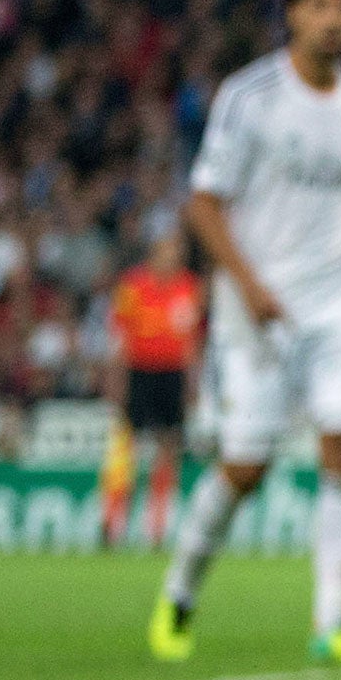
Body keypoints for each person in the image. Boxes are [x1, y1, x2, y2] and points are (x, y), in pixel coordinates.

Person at [146, 0, 341, 665]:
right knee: (246, 465)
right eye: (321, 4)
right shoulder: (250, 96)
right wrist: (249, 284)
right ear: (292, 14)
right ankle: (179, 594)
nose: (335, 18)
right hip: (258, 306)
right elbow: (203, 202)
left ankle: (333, 624)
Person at [103, 225, 202, 549]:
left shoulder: (188, 286)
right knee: (124, 446)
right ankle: (112, 521)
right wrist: (116, 380)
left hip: (171, 375)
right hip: (138, 372)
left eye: (176, 253)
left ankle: (156, 528)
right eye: (167, 252)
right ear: (153, 255)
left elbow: (191, 342)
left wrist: (191, 384)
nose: (172, 259)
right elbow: (119, 335)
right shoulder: (133, 285)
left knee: (167, 448)